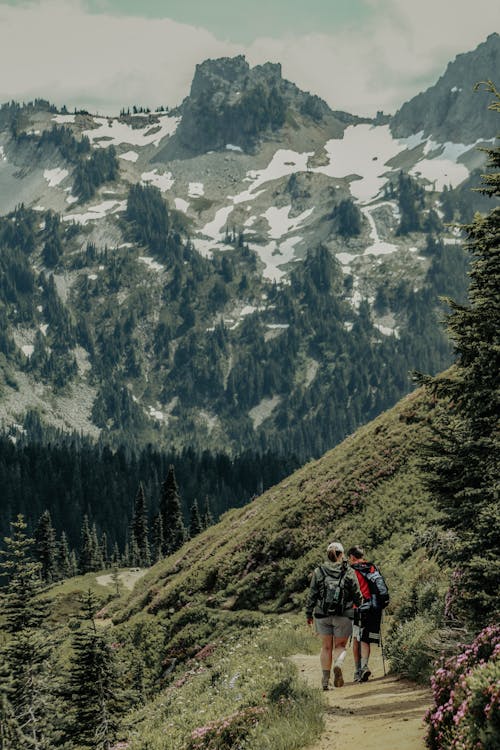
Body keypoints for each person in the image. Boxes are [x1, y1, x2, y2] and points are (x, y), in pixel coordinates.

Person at [306, 541, 362, 690]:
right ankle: (338, 664)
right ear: (342, 554)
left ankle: (325, 681)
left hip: (321, 614)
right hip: (343, 615)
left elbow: (312, 595)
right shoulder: (348, 571)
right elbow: (357, 595)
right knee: (340, 646)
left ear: (327, 554)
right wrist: (359, 605)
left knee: (326, 647)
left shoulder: (319, 571)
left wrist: (308, 614)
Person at [347, 545, 386, 682]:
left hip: (359, 608)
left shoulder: (351, 570)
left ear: (352, 557)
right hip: (373, 607)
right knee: (366, 638)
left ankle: (358, 671)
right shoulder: (372, 567)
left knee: (357, 639)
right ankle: (364, 666)